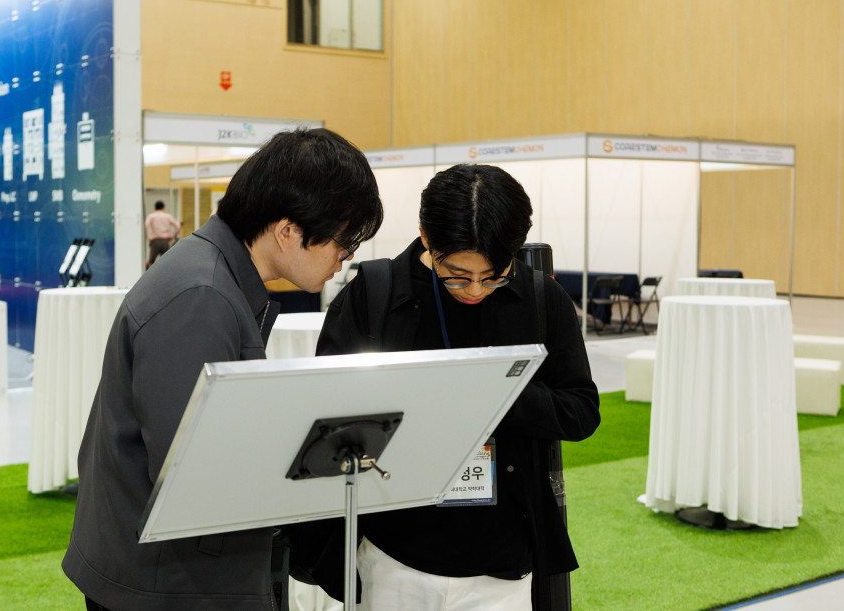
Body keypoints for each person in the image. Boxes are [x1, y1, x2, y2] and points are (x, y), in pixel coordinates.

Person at [62, 127, 383, 610]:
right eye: (343, 241)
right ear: (288, 231)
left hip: (167, 570)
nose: (346, 257)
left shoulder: (213, 275)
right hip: (166, 584)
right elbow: (193, 472)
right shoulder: (201, 297)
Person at [298, 164, 600, 610]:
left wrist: (498, 390)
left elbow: (581, 412)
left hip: (502, 559)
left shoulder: (541, 299)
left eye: (494, 275)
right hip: (393, 553)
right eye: (456, 274)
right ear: (426, 237)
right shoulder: (376, 295)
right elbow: (325, 415)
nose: (474, 290)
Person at [145, 200, 181, 268]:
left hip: (155, 241)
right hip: (165, 241)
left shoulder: (151, 216)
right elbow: (178, 226)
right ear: (163, 207)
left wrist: (149, 237)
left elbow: (146, 225)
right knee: (166, 262)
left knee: (151, 262)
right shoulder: (168, 216)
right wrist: (172, 236)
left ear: (155, 208)